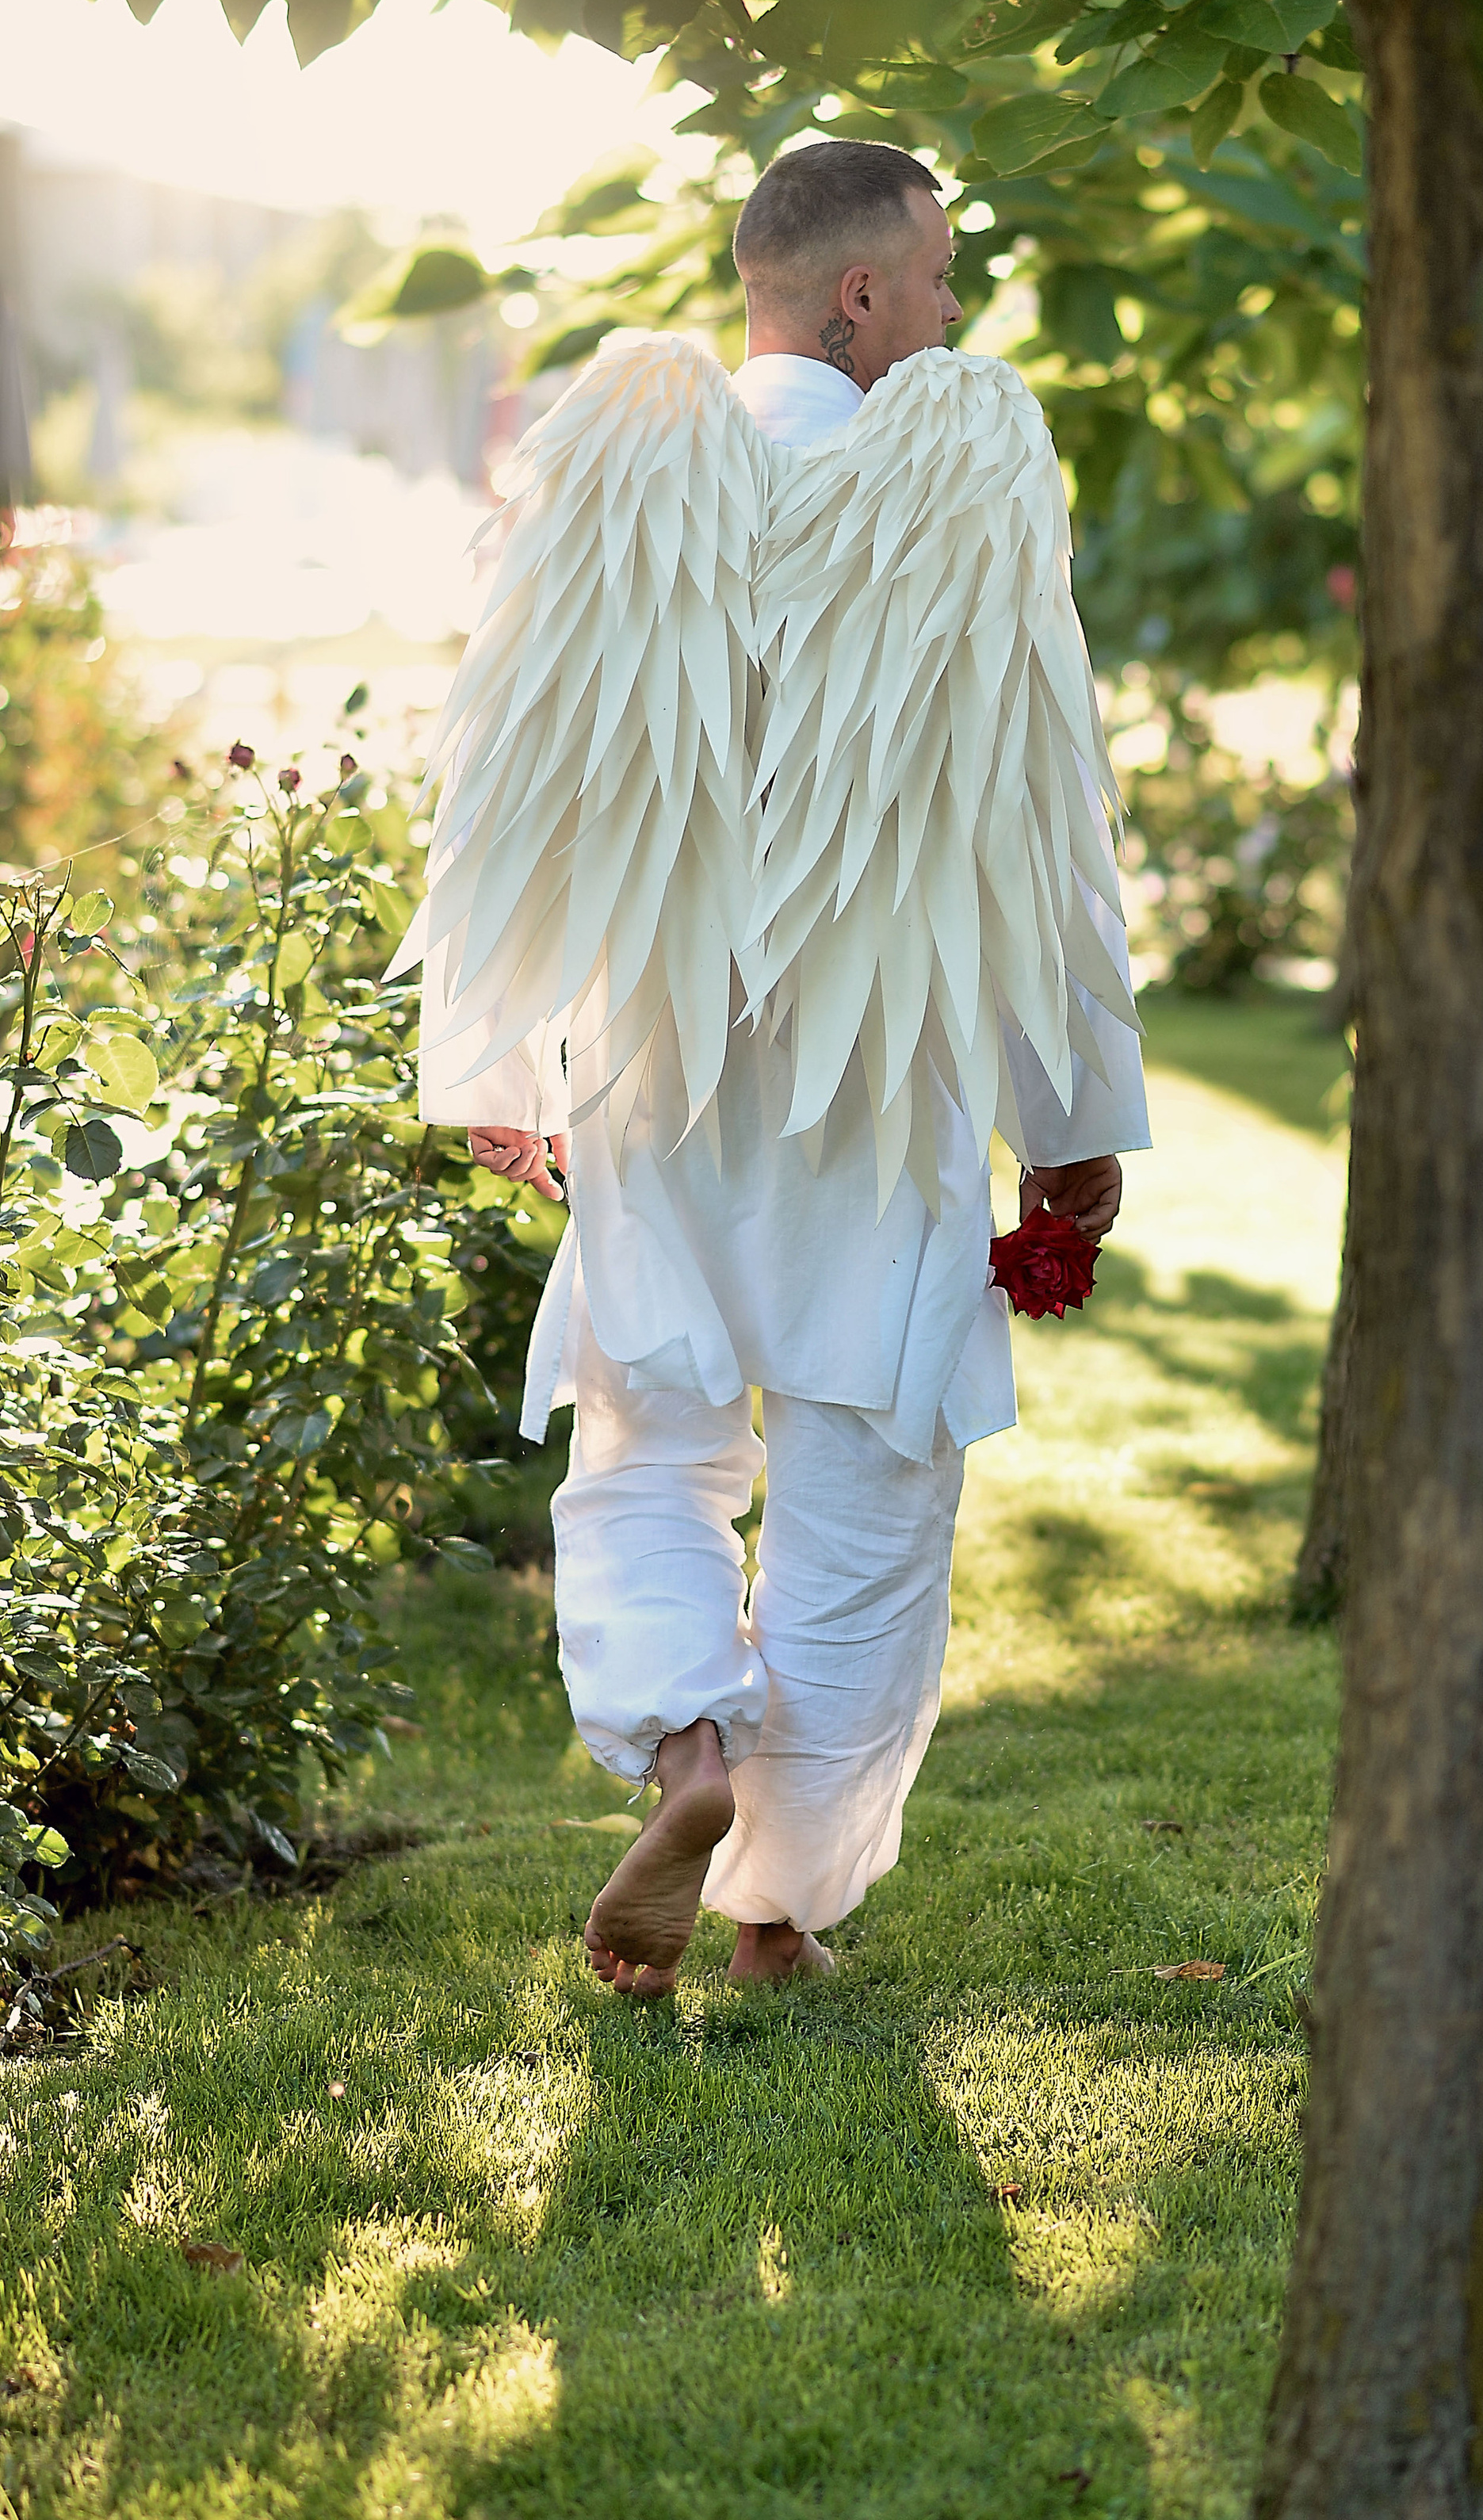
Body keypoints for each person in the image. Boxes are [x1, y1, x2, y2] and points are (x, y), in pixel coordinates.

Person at [405, 140, 1149, 1994]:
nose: (957, 305)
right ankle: (776, 1910)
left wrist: (498, 1051)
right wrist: (1071, 1124)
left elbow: (496, 776)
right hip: (877, 1071)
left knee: (648, 1454)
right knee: (866, 1487)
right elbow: (1045, 826)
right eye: (941, 273)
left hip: (655, 1057)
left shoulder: (623, 476)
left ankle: (684, 1756)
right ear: (858, 298)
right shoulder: (964, 500)